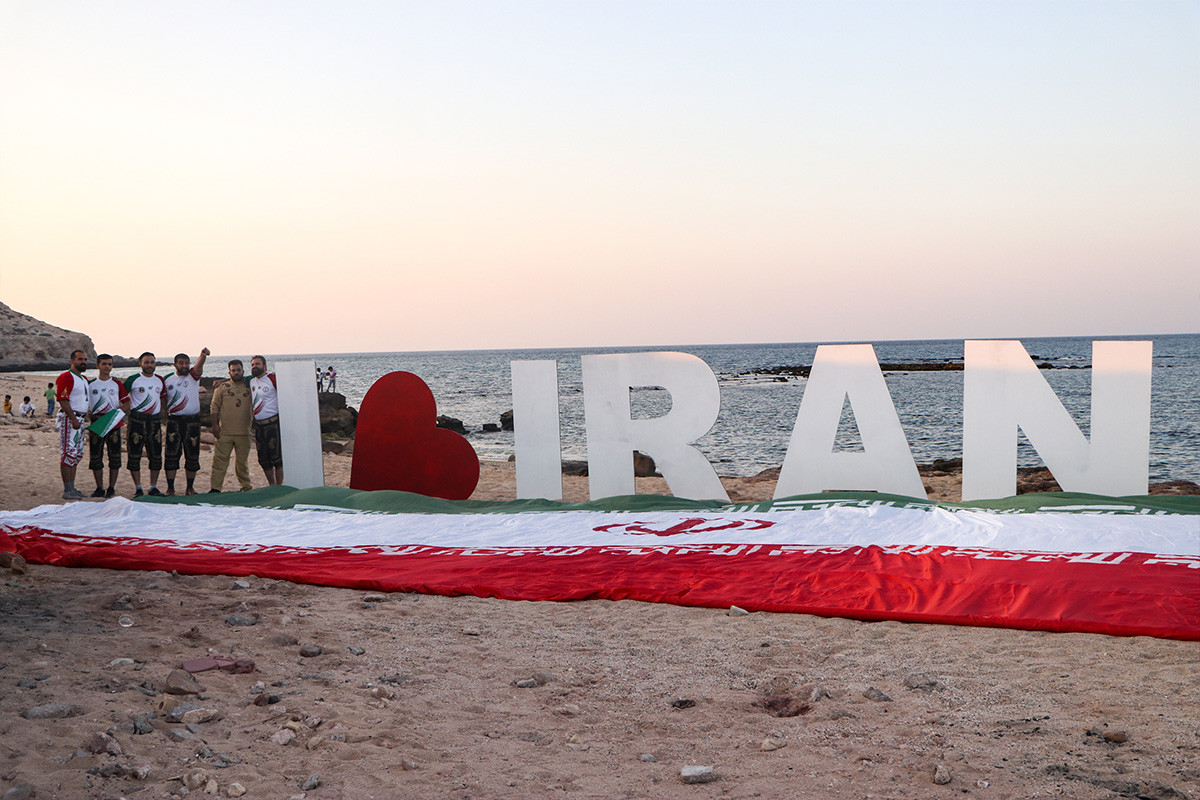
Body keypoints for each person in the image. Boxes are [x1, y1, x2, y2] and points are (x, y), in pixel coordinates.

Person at [163, 348, 210, 495]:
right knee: (171, 454)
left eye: (187, 363)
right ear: (175, 365)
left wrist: (202, 355)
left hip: (193, 421)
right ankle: (170, 488)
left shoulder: (193, 376)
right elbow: (163, 400)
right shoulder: (167, 380)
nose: (184, 366)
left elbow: (199, 366)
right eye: (181, 363)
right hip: (174, 421)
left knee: (192, 454)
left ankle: (190, 488)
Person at [86, 354, 131, 498]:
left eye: (110, 364)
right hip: (97, 422)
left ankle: (111, 487)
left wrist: (114, 416)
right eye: (104, 364)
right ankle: (99, 487)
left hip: (113, 423)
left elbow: (127, 404)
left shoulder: (117, 384)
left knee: (115, 457)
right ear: (97, 365)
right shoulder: (90, 384)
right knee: (95, 456)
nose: (107, 367)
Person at [124, 352, 167, 497]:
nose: (149, 365)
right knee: (134, 454)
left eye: (152, 362)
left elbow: (163, 399)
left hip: (154, 422)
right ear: (140, 364)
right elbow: (121, 395)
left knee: (156, 455)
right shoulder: (133, 379)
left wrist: (164, 414)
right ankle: (138, 488)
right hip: (137, 421)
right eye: (146, 362)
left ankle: (153, 487)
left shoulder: (160, 380)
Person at [209, 359, 254, 492]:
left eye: (238, 370)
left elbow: (260, 377)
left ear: (243, 371)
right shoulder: (222, 387)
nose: (236, 372)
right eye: (233, 370)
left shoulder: (250, 386)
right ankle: (215, 488)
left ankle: (245, 487)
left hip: (244, 432)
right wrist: (215, 426)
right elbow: (214, 407)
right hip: (225, 432)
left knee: (242, 463)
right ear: (229, 372)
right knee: (220, 462)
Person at [55, 350, 90, 499]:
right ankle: (67, 489)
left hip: (80, 419)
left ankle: (72, 488)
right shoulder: (66, 376)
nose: (83, 362)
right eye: (80, 359)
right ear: (72, 360)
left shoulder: (83, 379)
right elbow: (62, 399)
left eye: (85, 359)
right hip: (70, 418)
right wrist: (73, 418)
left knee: (76, 454)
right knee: (68, 453)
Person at [249, 355, 283, 485]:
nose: (254, 366)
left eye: (257, 364)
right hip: (259, 426)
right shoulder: (251, 381)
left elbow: (288, 389)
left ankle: (279, 486)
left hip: (273, 424)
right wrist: (220, 382)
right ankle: (272, 485)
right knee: (263, 459)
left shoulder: (272, 378)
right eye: (252, 364)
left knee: (277, 458)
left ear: (265, 366)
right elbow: (236, 378)